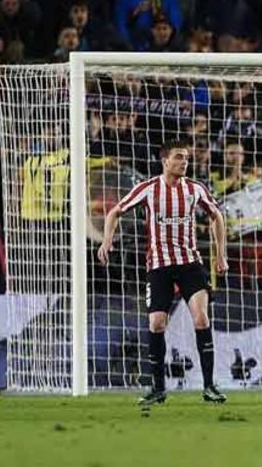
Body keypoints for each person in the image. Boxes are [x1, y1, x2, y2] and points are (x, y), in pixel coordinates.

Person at [97, 140, 228, 406]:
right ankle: (157, 388)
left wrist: (221, 253)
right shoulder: (147, 189)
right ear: (165, 161)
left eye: (187, 158)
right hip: (159, 266)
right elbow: (114, 212)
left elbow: (217, 215)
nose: (184, 162)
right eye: (179, 157)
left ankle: (210, 386)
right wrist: (107, 240)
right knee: (156, 324)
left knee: (201, 318)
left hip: (190, 264)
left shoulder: (194, 188)